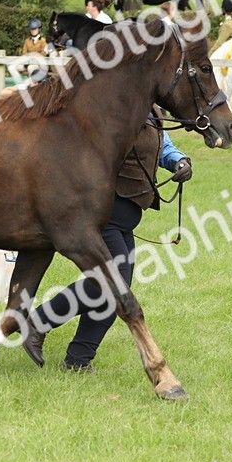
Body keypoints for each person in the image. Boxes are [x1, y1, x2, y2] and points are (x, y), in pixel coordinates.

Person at [21, 111, 192, 372]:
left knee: (117, 291)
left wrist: (178, 160)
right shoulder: (116, 107)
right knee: (112, 286)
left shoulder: (150, 110)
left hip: (124, 219)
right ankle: (38, 322)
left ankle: (78, 358)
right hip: (103, 216)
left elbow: (161, 143)